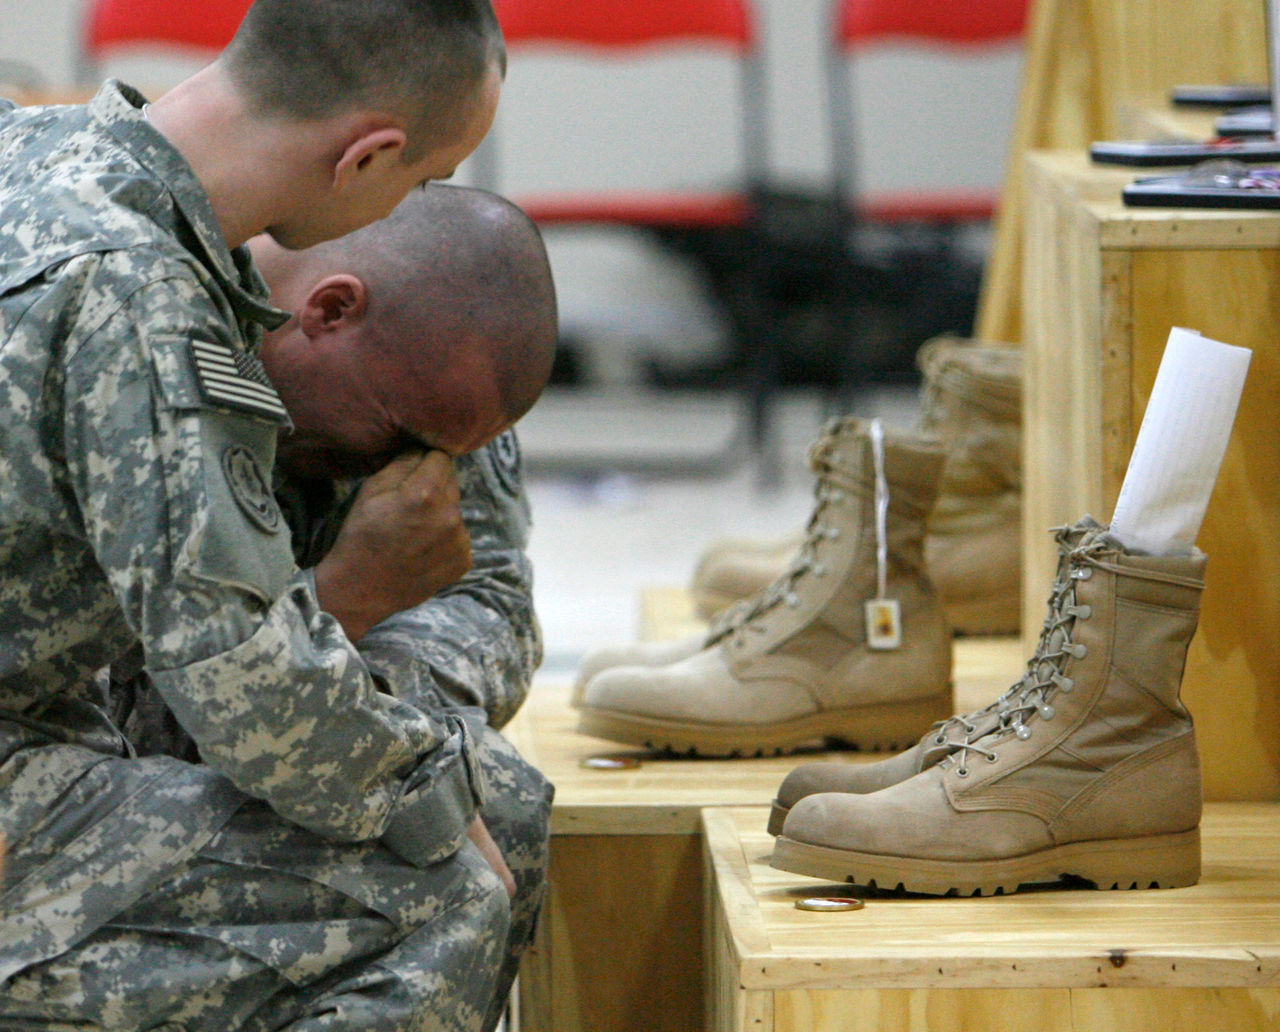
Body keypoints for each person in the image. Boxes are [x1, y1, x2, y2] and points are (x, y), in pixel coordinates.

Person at [0, 0, 528, 1027]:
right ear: (366, 156)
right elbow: (249, 685)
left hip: (44, 737)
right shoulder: (138, 292)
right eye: (419, 181)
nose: (407, 210)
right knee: (444, 890)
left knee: (466, 811)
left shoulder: (27, 149)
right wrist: (430, 795)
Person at [111, 183, 560, 1031]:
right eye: (396, 436)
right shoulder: (148, 342)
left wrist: (383, 702)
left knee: (484, 793)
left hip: (286, 715)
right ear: (330, 310)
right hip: (78, 782)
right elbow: (103, 718)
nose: (407, 467)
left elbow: (489, 592)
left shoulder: (430, 365)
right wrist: (340, 606)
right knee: (436, 868)